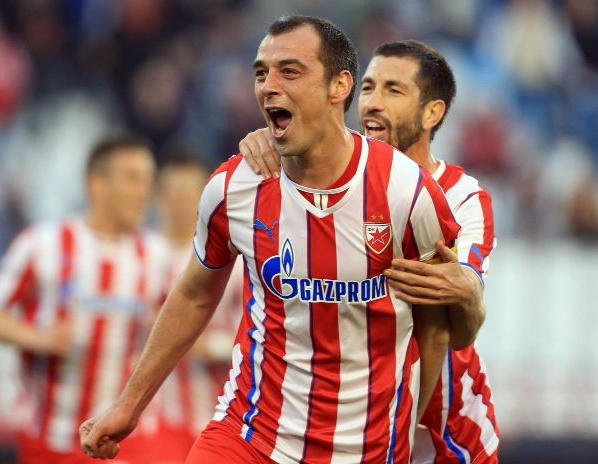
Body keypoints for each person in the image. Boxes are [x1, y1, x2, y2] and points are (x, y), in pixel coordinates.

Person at [79, 16, 460, 464]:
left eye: (290, 72)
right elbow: (195, 294)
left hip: (363, 449)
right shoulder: (235, 187)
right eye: (261, 73)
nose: (269, 87)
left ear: (340, 86)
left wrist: (406, 429)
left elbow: (436, 322)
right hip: (250, 435)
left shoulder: (406, 191)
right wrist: (129, 406)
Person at [240, 39, 499, 463]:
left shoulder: (463, 197)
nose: (373, 103)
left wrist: (471, 297)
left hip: (446, 416)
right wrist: (267, 139)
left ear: (432, 113)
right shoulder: (325, 180)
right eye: (368, 87)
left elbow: (460, 299)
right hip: (354, 416)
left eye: (393, 91)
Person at [0, 135, 171, 464]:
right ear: (96, 184)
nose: (144, 192)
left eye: (148, 180)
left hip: (130, 437)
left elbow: (179, 319)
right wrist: (39, 338)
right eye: (132, 178)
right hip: (52, 436)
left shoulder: (157, 254)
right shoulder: (42, 243)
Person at [153, 153, 243, 462]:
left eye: (188, 194)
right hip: (161, 420)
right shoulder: (143, 256)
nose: (180, 204)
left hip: (221, 415)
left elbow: (261, 331)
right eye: (173, 194)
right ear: (159, 198)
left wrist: (212, 346)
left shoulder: (236, 263)